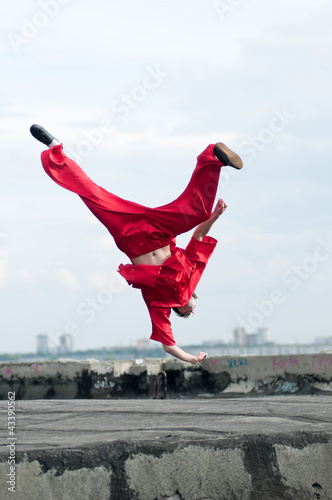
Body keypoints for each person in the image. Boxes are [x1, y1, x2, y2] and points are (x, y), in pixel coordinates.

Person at [30, 124, 243, 364]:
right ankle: (213, 156)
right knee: (198, 212)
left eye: (187, 313)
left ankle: (54, 149)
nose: (191, 309)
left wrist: (192, 359)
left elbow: (169, 346)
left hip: (129, 236)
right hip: (158, 230)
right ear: (192, 297)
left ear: (178, 310)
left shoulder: (159, 304)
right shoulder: (193, 274)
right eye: (193, 305)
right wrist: (214, 217)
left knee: (93, 194)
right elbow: (198, 236)